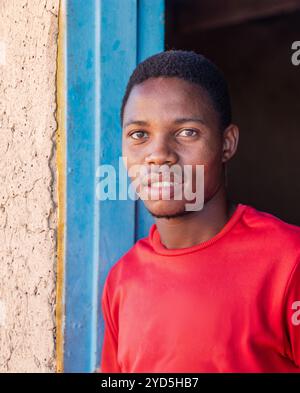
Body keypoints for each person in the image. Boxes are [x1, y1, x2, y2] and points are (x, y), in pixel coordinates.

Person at [99, 50, 300, 372]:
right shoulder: (123, 279)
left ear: (226, 143)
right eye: (139, 135)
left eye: (187, 132)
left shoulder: (288, 261)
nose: (158, 154)